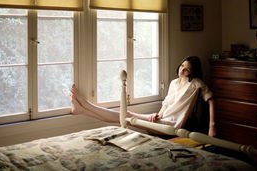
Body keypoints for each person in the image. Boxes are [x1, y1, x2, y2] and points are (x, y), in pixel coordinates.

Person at [71, 56, 217, 137]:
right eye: (182, 66)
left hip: (171, 125)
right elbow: (166, 104)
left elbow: (211, 100)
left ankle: (84, 105)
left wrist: (212, 126)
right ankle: (82, 109)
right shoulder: (174, 83)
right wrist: (157, 115)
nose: (182, 70)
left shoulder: (196, 83)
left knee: (126, 115)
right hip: (161, 120)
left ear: (192, 72)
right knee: (125, 116)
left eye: (187, 69)